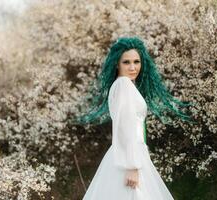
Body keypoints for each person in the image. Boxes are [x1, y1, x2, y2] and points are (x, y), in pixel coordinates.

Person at [74, 36, 196, 199]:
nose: (132, 67)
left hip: (127, 155)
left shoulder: (121, 85)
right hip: (129, 159)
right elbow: (127, 127)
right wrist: (133, 165)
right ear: (117, 63)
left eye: (136, 62)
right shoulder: (123, 85)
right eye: (126, 62)